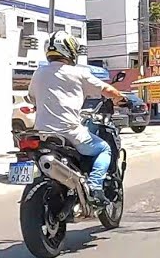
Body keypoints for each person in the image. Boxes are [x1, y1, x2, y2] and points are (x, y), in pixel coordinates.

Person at [29, 31, 124, 206]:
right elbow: (109, 91)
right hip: (69, 133)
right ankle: (95, 186)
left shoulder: (39, 73)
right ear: (70, 50)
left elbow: (32, 97)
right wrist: (122, 99)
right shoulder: (78, 73)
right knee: (104, 149)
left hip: (42, 133)